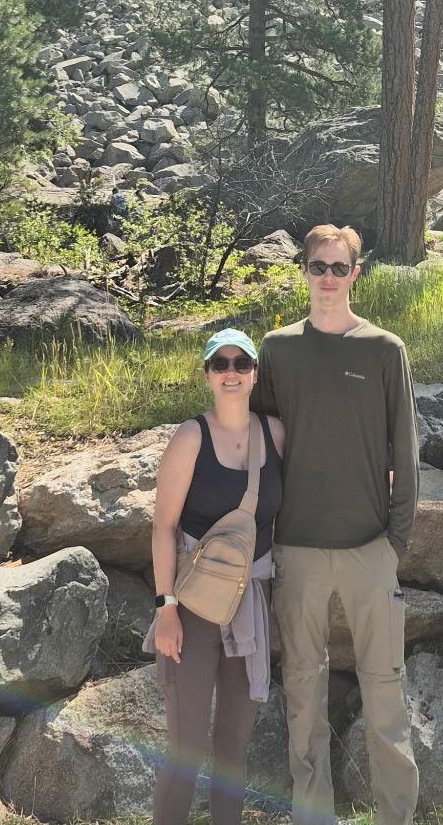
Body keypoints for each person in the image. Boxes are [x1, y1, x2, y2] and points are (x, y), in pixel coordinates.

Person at [254, 223, 420, 825]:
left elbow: (406, 452)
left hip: (368, 550)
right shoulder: (275, 349)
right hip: (295, 549)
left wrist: (394, 542)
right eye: (317, 266)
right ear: (302, 271)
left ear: (356, 273)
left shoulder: (384, 349)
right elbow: (259, 447)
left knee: (385, 697)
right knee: (303, 696)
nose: (327, 277)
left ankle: (395, 817)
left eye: (338, 267)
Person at [146, 328, 285, 825]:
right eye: (220, 364)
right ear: (207, 374)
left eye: (241, 364)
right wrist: (165, 609)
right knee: (186, 747)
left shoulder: (275, 434)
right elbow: (163, 527)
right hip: (194, 610)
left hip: (254, 604)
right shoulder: (190, 437)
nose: (231, 373)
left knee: (233, 747)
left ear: (254, 374)